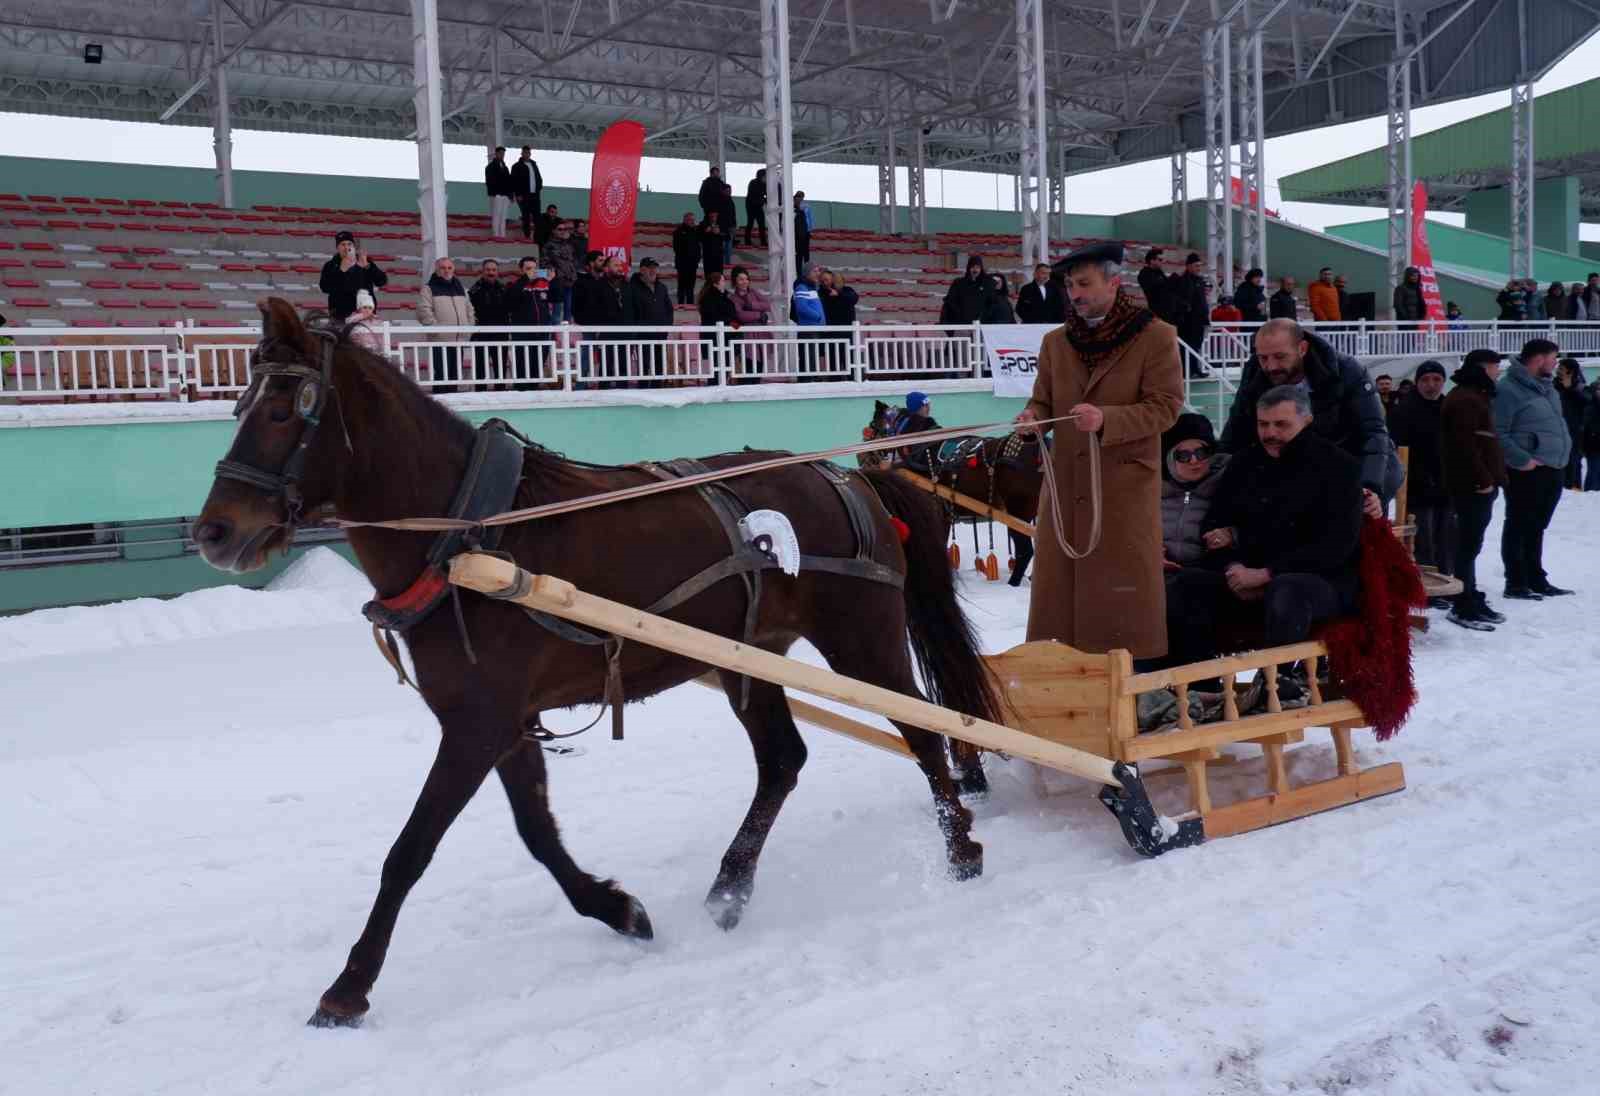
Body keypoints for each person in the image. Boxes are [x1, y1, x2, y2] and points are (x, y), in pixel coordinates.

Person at [1012, 240, 1183, 664]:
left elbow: (1166, 408)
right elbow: (1043, 403)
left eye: (1084, 283)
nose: (1075, 294)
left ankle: (1133, 684)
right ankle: (1066, 679)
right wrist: (1032, 419)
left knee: (1122, 611)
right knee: (1060, 606)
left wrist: (1107, 419)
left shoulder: (1157, 337)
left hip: (1123, 494)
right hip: (1066, 492)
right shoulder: (1055, 342)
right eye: (1070, 286)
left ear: (1114, 281)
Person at [1166, 386, 1364, 699]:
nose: (1270, 433)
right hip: (1246, 574)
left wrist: (1267, 573)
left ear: (1306, 420)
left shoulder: (1339, 467)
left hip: (1317, 581)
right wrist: (1233, 567)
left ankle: (1275, 686)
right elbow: (1214, 523)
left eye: (1280, 425)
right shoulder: (1245, 463)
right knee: (1186, 584)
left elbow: (1336, 545)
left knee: (1287, 589)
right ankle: (1199, 689)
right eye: (1263, 424)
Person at [1219, 318, 1401, 507]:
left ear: (1302, 349)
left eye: (1280, 356)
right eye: (1263, 358)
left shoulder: (1346, 371)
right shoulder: (1254, 373)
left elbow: (1373, 432)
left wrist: (1370, 487)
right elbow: (1236, 431)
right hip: (1290, 473)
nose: (1270, 366)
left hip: (1350, 462)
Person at [1494, 338, 1573, 599]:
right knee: (1519, 523)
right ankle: (1515, 582)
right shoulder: (1508, 389)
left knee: (1537, 525)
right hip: (1525, 470)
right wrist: (1521, 460)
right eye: (1553, 358)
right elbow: (1498, 432)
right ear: (1539, 359)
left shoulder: (1547, 388)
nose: (1556, 363)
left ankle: (1535, 577)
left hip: (1552, 467)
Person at [1440, 350, 1509, 631]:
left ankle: (1469, 595)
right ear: (1482, 368)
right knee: (1467, 546)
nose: (1498, 371)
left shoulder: (1473, 395)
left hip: (1477, 484)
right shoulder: (1466, 399)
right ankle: (1462, 603)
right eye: (1495, 366)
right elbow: (1464, 447)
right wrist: (1483, 480)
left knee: (1472, 544)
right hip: (1470, 486)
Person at [1387, 361, 1453, 589]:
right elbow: (1397, 449)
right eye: (1425, 380)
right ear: (1417, 383)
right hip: (1417, 486)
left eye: (1436, 380)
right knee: (1422, 539)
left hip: (1446, 484)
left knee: (1445, 537)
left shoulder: (1448, 408)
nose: (1431, 385)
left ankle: (1445, 578)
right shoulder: (1404, 410)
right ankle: (1424, 584)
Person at [1160, 412, 1231, 567]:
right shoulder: (1151, 491)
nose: (1194, 461)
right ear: (1169, 459)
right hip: (1156, 572)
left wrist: (1230, 535)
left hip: (1206, 573)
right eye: (1183, 455)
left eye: (1201, 453)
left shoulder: (1228, 485)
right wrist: (1151, 553)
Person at [417, 257, 476, 391]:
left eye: (449, 268)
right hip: (440, 340)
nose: (446, 271)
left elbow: (470, 310)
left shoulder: (461, 288)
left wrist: (469, 328)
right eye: (443, 268)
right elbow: (423, 311)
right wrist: (437, 330)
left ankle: (452, 405)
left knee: (455, 376)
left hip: (459, 340)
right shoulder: (429, 289)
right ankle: (440, 405)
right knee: (441, 376)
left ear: (454, 269)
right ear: (437, 270)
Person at [505, 256, 557, 384]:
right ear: (521, 270)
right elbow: (510, 302)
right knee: (522, 364)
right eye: (528, 269)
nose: (532, 271)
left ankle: (534, 389)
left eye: (534, 268)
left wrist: (553, 280)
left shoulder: (544, 284)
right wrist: (525, 280)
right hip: (523, 332)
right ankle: (521, 390)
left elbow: (558, 297)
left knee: (538, 364)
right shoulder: (514, 284)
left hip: (542, 331)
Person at [319, 231, 388, 321]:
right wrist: (341, 271)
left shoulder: (364, 260)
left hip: (365, 316)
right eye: (343, 244)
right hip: (340, 316)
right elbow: (325, 287)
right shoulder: (330, 265)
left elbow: (382, 281)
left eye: (349, 244)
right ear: (337, 247)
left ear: (354, 246)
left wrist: (368, 266)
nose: (346, 247)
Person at [625, 258, 676, 382]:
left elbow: (669, 309)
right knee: (644, 366)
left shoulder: (661, 287)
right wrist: (636, 329)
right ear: (642, 270)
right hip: (642, 335)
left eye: (655, 268)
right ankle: (643, 392)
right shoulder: (632, 287)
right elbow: (630, 311)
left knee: (659, 366)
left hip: (660, 334)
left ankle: (658, 390)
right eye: (650, 268)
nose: (653, 271)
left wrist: (666, 327)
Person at [468, 258, 511, 382]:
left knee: (501, 368)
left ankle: (501, 393)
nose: (491, 272)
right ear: (482, 271)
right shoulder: (474, 290)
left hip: (500, 335)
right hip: (481, 335)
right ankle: (480, 394)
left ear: (497, 272)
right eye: (488, 270)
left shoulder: (504, 289)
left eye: (493, 270)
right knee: (480, 368)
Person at [1555, 358, 1593, 490]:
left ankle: (1574, 485)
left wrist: (1570, 388)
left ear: (1570, 372)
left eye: (1561, 369)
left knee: (1574, 460)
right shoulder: (1553, 385)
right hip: (1556, 429)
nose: (1558, 371)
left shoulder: (1581, 387)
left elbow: (1587, 403)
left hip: (1575, 430)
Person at [1169, 253, 1210, 371]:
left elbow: (1202, 302)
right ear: (1188, 266)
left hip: (1199, 320)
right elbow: (1179, 299)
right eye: (1196, 266)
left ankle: (1195, 369)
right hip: (1188, 321)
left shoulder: (1199, 281)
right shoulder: (1183, 281)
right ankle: (1186, 370)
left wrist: (1205, 318)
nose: (1199, 268)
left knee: (1196, 345)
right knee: (1187, 346)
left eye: (1199, 266)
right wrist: (1186, 309)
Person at [939, 256, 992, 324]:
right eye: (973, 267)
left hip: (980, 324)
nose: (975, 270)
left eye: (977, 267)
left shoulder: (986, 284)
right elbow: (950, 301)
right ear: (968, 268)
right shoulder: (958, 283)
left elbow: (990, 303)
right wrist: (961, 315)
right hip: (961, 323)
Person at [510, 146, 544, 241]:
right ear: (522, 153)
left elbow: (539, 178)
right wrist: (518, 194)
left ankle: (538, 238)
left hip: (535, 195)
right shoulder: (516, 166)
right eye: (524, 152)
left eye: (528, 153)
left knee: (537, 217)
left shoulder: (534, 165)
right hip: (523, 196)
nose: (526, 154)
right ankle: (527, 236)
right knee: (526, 217)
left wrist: (539, 188)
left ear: (530, 154)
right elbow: (514, 181)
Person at [672, 212, 700, 305]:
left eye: (693, 220)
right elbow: (676, 248)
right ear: (684, 220)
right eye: (689, 220)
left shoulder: (696, 231)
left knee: (691, 287)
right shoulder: (678, 232)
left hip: (693, 264)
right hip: (682, 264)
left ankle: (690, 304)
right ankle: (680, 304)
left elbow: (697, 247)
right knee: (682, 286)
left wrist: (697, 258)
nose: (691, 222)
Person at [484, 147, 513, 239]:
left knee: (503, 216)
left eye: (503, 154)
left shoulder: (505, 167)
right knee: (496, 214)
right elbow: (489, 182)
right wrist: (495, 192)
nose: (502, 155)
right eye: (500, 153)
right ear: (496, 154)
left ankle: (502, 234)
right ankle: (495, 234)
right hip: (497, 194)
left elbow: (509, 182)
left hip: (505, 195)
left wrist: (510, 195)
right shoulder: (490, 167)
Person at [345, 289, 383, 355]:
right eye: (365, 307)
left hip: (374, 348)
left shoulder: (376, 320)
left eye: (370, 308)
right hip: (359, 347)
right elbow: (348, 322)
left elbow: (380, 336)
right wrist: (361, 316)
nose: (367, 310)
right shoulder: (354, 317)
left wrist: (380, 347)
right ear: (359, 308)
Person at [1137, 248, 1170, 321]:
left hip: (1166, 311)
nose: (1162, 262)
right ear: (1152, 261)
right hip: (1157, 312)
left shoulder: (1159, 272)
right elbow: (1154, 288)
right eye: (1160, 260)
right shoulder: (1144, 274)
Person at [699, 210, 727, 278]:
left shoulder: (722, 224)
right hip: (708, 253)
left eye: (715, 216)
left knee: (719, 274)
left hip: (718, 253)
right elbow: (699, 238)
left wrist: (719, 233)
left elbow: (728, 237)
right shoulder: (703, 224)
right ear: (708, 216)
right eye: (712, 216)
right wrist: (706, 232)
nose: (713, 218)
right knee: (708, 274)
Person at [745, 169, 768, 247]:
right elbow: (755, 195)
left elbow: (766, 194)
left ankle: (763, 242)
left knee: (762, 224)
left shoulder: (764, 184)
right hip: (751, 206)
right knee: (750, 223)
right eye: (765, 176)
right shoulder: (753, 182)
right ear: (761, 176)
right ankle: (747, 241)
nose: (766, 178)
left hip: (759, 206)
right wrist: (764, 200)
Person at [718, 182, 739, 268]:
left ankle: (727, 262)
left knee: (728, 246)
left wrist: (734, 225)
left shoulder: (730, 200)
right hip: (722, 227)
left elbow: (733, 214)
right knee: (723, 246)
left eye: (730, 190)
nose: (729, 192)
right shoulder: (720, 201)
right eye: (727, 190)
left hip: (729, 226)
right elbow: (721, 216)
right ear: (723, 191)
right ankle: (723, 263)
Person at [793, 191, 813, 268]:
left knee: (806, 252)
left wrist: (810, 229)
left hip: (805, 231)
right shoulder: (794, 206)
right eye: (798, 197)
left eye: (801, 197)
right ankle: (800, 269)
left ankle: (806, 267)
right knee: (799, 253)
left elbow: (810, 218)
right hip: (798, 233)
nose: (800, 198)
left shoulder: (806, 206)